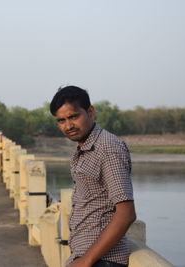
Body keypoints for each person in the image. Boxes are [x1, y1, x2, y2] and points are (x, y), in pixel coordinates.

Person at [50, 86, 136, 267]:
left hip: (102, 260)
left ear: (90, 112)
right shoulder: (85, 148)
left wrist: (87, 260)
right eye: (61, 120)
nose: (68, 126)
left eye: (73, 116)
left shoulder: (108, 148)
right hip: (88, 256)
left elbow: (126, 214)